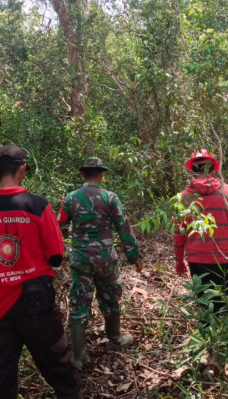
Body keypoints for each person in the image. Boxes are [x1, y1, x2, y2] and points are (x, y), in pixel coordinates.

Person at [0, 145, 81, 399]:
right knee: (62, 372)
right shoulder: (37, 206)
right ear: (23, 169)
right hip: (37, 305)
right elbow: (56, 256)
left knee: (2, 380)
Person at [59, 157, 144, 368]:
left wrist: (56, 255)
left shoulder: (70, 199)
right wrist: (135, 257)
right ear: (101, 175)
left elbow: (59, 228)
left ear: (82, 175)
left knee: (79, 303)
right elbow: (124, 228)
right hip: (105, 259)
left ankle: (78, 356)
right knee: (111, 297)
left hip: (81, 260)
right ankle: (115, 339)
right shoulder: (110, 197)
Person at [174, 148, 228, 369]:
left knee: (207, 306)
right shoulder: (227, 192)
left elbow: (179, 233)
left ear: (194, 169)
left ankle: (212, 353)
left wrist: (179, 260)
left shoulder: (185, 197)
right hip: (226, 259)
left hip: (198, 261)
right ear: (212, 169)